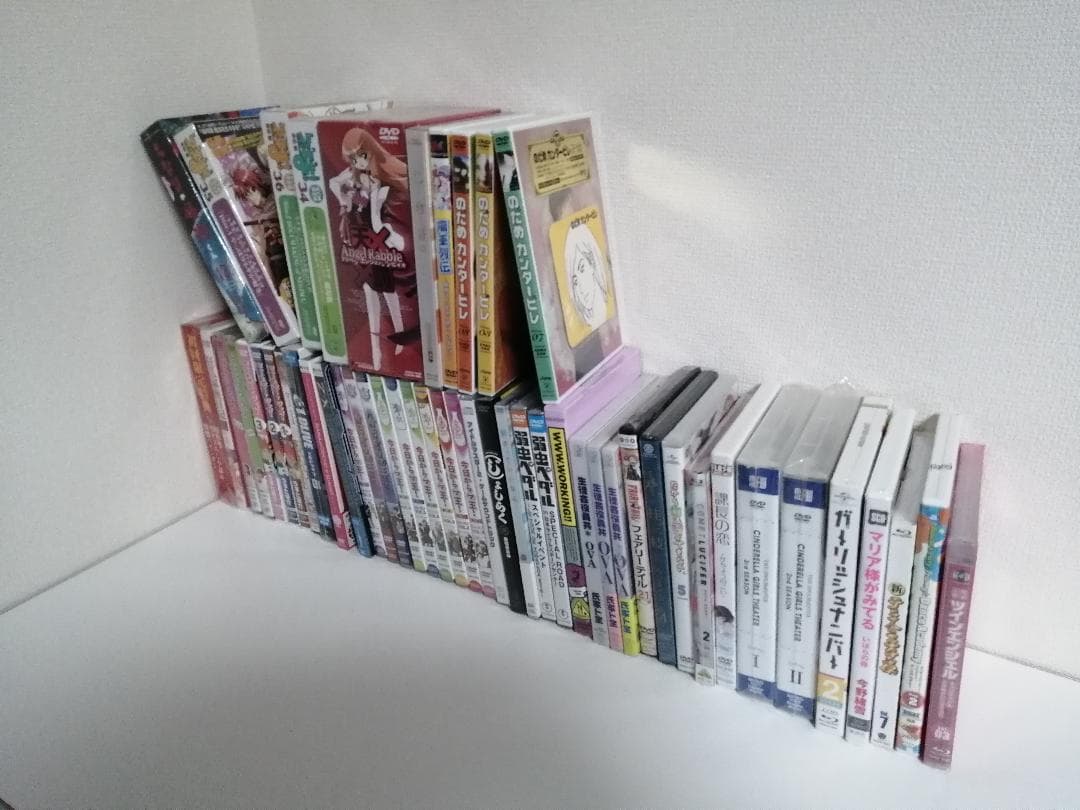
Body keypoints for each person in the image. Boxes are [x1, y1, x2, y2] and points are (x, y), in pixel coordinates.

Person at [328, 127, 411, 369]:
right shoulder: (351, 180)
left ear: (371, 152)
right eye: (353, 158)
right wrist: (346, 198)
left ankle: (399, 339)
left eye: (362, 156)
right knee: (370, 294)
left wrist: (390, 238)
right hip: (360, 243)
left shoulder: (377, 184)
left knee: (388, 293)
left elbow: (375, 221)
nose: (359, 162)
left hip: (374, 241)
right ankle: (376, 351)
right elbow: (333, 183)